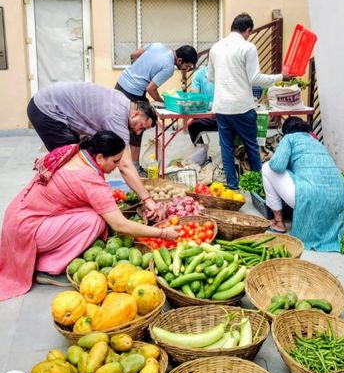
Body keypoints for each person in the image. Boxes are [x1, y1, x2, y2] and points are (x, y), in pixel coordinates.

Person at [0, 131, 179, 301]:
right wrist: (163, 233)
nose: (117, 167)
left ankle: (45, 255)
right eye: (115, 161)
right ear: (100, 157)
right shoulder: (90, 180)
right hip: (27, 230)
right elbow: (120, 225)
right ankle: (48, 268)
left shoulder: (75, 152)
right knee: (96, 220)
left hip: (16, 216)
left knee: (96, 213)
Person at [27, 81, 158, 213]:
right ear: (135, 114)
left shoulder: (124, 102)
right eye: (140, 126)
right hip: (46, 109)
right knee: (71, 162)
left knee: (80, 157)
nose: (137, 132)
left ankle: (77, 199)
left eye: (143, 130)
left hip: (49, 102)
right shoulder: (117, 117)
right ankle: (57, 203)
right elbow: (125, 166)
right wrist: (147, 199)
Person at [208, 12, 288, 189]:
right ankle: (260, 186)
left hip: (221, 107)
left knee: (226, 149)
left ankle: (232, 186)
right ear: (248, 30)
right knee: (252, 146)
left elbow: (210, 77)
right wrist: (281, 76)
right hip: (242, 107)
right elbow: (255, 78)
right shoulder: (248, 47)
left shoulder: (216, 47)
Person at [262, 116, 344, 251]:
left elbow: (277, 166)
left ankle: (279, 223)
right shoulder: (315, 141)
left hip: (311, 195)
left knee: (267, 167)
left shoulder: (289, 138)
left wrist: (274, 156)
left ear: (286, 131)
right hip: (341, 197)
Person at [115, 43, 198, 174]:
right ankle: (134, 167)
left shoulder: (159, 45)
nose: (185, 70)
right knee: (139, 126)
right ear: (180, 60)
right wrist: (163, 102)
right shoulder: (169, 67)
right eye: (186, 66)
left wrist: (139, 69)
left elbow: (134, 54)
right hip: (133, 92)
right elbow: (151, 88)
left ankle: (122, 162)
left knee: (123, 124)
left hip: (121, 83)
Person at [188, 65, 218, 166]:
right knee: (193, 125)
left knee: (233, 125)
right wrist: (209, 105)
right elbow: (196, 98)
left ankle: (233, 156)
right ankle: (201, 153)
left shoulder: (228, 72)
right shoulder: (199, 74)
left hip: (225, 115)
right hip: (208, 115)